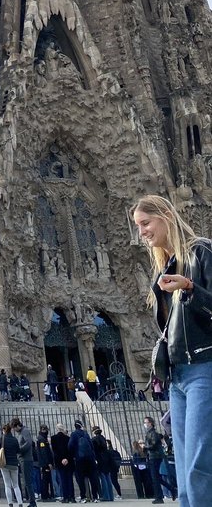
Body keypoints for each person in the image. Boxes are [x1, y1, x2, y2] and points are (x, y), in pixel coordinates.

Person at [132, 194, 212, 507]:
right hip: (178, 376)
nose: (142, 232)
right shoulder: (166, 267)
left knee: (199, 464)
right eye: (138, 226)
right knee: (184, 470)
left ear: (166, 215)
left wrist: (190, 289)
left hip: (205, 367)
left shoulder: (202, 251)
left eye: (145, 223)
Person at [67, 421, 98, 504]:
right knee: (92, 477)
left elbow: (70, 446)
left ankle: (83, 496)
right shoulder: (86, 433)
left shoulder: (74, 434)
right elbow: (91, 445)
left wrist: (73, 454)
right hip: (90, 459)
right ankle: (95, 496)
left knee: (80, 478)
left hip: (80, 459)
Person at [9, 420, 36, 507]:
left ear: (17, 426)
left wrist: (19, 450)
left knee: (28, 481)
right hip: (23, 459)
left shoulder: (25, 431)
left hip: (26, 459)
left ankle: (32, 502)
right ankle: (31, 501)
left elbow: (28, 443)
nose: (14, 430)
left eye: (14, 428)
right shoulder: (21, 432)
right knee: (26, 481)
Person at [0, 423, 22, 507]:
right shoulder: (14, 439)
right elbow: (18, 450)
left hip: (4, 464)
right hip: (14, 464)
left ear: (3, 430)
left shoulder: (2, 439)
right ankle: (20, 503)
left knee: (7, 485)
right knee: (16, 485)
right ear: (10, 430)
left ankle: (10, 503)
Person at [141, 417, 165, 504]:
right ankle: (170, 489)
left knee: (155, 478)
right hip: (152, 456)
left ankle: (159, 497)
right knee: (156, 477)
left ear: (150, 423)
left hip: (155, 456)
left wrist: (145, 447)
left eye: (146, 422)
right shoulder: (149, 433)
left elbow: (153, 445)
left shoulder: (153, 433)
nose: (145, 424)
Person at [50, 424, 74, 504]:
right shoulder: (68, 438)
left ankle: (65, 497)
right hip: (68, 461)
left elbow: (55, 451)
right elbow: (70, 450)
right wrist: (66, 458)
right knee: (69, 479)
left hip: (59, 462)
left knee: (62, 479)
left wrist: (61, 459)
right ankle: (72, 497)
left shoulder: (53, 438)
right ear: (63, 429)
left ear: (57, 429)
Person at [90, 428, 112, 502]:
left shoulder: (94, 439)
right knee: (107, 477)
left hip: (99, 459)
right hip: (105, 459)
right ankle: (110, 496)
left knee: (103, 478)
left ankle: (105, 496)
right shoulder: (103, 438)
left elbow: (93, 450)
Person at [36, 426, 53, 501]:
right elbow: (44, 452)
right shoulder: (42, 439)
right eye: (46, 430)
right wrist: (48, 462)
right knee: (45, 479)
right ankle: (45, 495)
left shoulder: (42, 438)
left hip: (44, 463)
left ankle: (46, 494)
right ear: (43, 430)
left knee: (46, 479)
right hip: (44, 463)